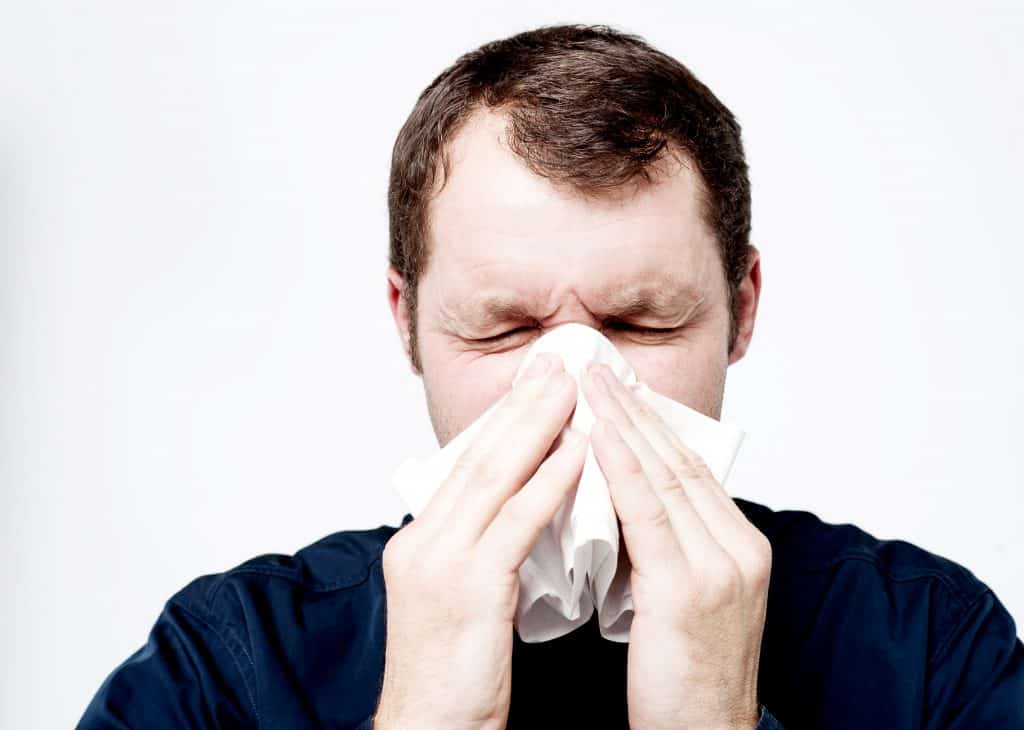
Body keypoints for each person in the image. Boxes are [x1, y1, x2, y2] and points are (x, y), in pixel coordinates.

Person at [78, 23, 1023, 729]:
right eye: (503, 329)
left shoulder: (930, 648)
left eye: (640, 321)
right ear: (407, 321)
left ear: (743, 307)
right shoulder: (228, 668)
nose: (572, 385)